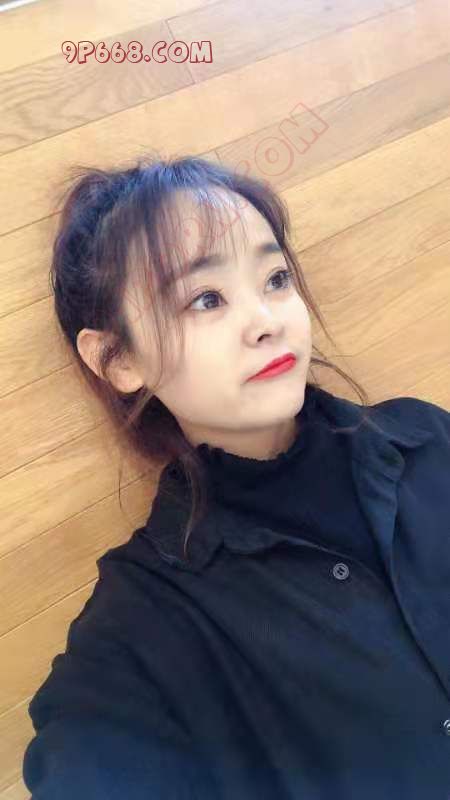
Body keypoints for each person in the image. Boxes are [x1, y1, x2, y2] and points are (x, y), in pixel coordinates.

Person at [22, 155, 450, 799]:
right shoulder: (141, 628)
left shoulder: (428, 437)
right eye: (207, 298)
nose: (267, 320)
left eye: (276, 278)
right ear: (118, 358)